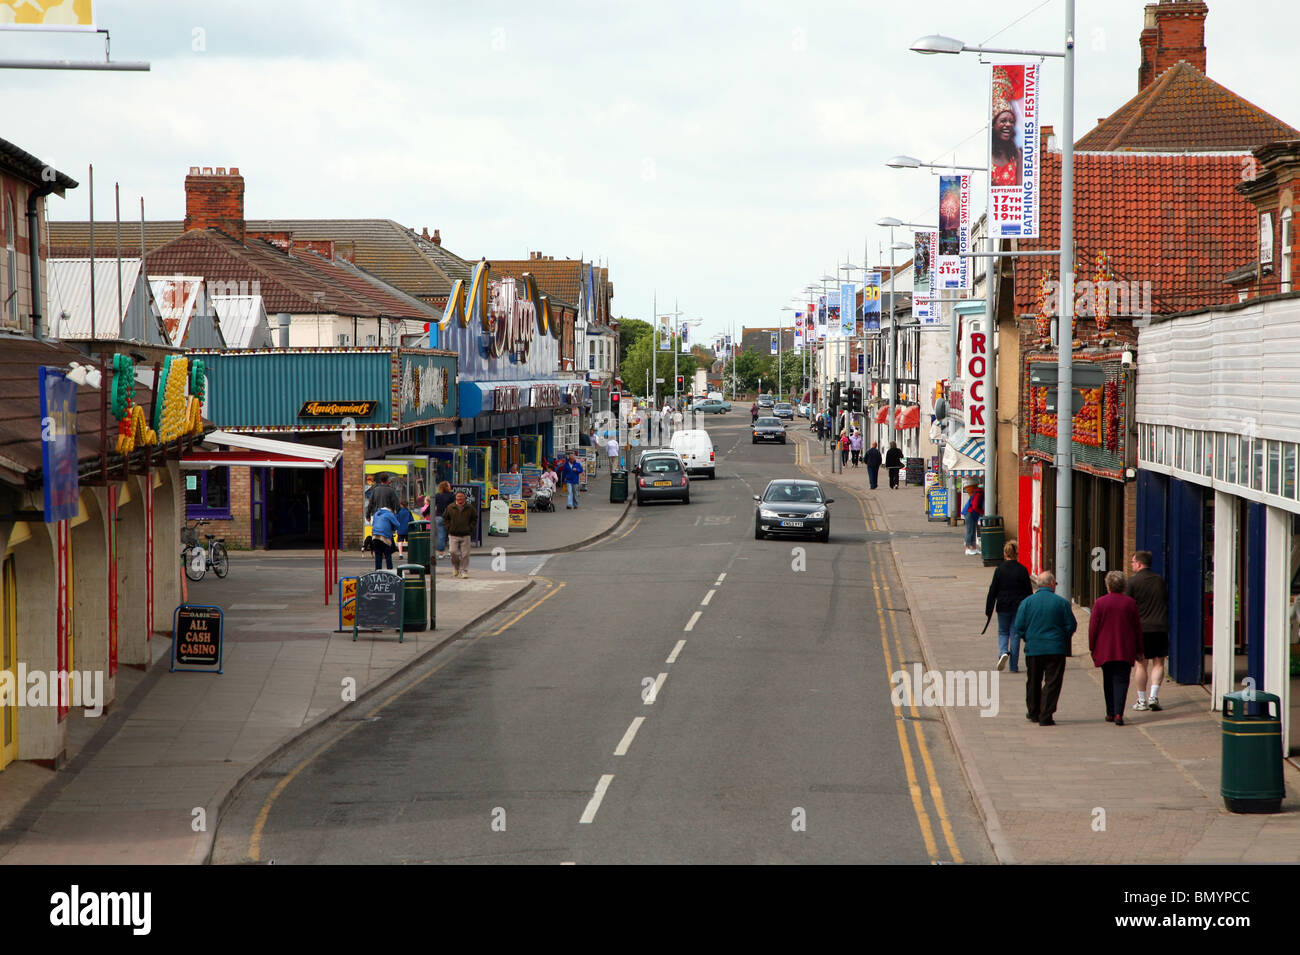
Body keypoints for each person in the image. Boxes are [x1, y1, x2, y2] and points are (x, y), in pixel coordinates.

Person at [1013, 570, 1077, 726]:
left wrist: (1028, 638)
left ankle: (1033, 711)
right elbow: (1071, 625)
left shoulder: (1027, 602)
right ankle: (1046, 714)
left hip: (1034, 648)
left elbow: (1019, 626)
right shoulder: (1061, 603)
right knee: (1052, 682)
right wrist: (1062, 638)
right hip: (1055, 648)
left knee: (1033, 681)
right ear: (1051, 584)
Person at [1089, 570, 1145, 725]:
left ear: (1108, 586)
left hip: (1105, 649)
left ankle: (1110, 712)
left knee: (1108, 680)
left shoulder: (1100, 603)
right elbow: (1137, 628)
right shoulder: (1130, 603)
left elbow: (1093, 627)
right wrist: (1140, 649)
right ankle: (1119, 713)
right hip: (1125, 648)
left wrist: (1092, 646)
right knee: (1121, 680)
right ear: (1123, 586)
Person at [1126, 550, 1169, 712]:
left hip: (1141, 629)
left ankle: (1142, 700)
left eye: (1132, 563)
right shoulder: (1159, 580)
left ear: (1138, 563)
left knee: (1141, 665)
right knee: (1158, 663)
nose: (1131, 565)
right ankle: (1154, 696)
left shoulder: (1132, 582)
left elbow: (1128, 606)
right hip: (1159, 626)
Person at [986, 540, 1034, 673]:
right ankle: (1014, 666)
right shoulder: (1022, 570)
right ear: (1017, 553)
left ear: (1005, 553)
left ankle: (1003, 652)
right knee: (1015, 634)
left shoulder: (999, 570)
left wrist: (988, 608)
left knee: (1002, 631)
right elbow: (1028, 592)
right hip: (1018, 606)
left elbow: (993, 590)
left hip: (1003, 605)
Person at [991, 66, 1022, 186]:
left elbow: (1021, 189)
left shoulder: (1017, 154)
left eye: (1011, 121)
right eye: (1003, 121)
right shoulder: (985, 152)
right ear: (994, 125)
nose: (1008, 125)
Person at [443, 490, 476, 579]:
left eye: (461, 497)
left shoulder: (470, 508)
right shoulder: (450, 507)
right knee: (453, 552)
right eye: (458, 497)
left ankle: (464, 571)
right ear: (456, 498)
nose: (459, 498)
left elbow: (474, 519)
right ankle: (456, 567)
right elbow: (445, 518)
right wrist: (449, 527)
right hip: (453, 534)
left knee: (465, 554)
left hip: (466, 534)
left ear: (464, 497)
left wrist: (470, 528)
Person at [370, 505, 399, 571]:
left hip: (375, 536)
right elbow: (397, 525)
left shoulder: (376, 513)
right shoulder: (389, 514)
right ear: (390, 509)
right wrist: (392, 529)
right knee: (388, 555)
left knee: (378, 555)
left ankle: (377, 572)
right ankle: (390, 571)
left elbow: (373, 524)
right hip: (385, 537)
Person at [432, 481, 455, 560]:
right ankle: (450, 552)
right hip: (450, 517)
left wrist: (425, 512)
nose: (450, 486)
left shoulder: (437, 496)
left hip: (439, 516)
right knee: (451, 535)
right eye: (449, 485)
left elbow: (432, 505)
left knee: (440, 535)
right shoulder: (451, 496)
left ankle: (441, 553)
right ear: (447, 487)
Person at [962, 482, 984, 555]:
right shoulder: (978, 493)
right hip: (970, 513)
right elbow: (974, 506)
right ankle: (967, 548)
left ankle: (973, 548)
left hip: (971, 513)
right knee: (970, 531)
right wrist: (981, 512)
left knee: (973, 531)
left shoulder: (978, 492)